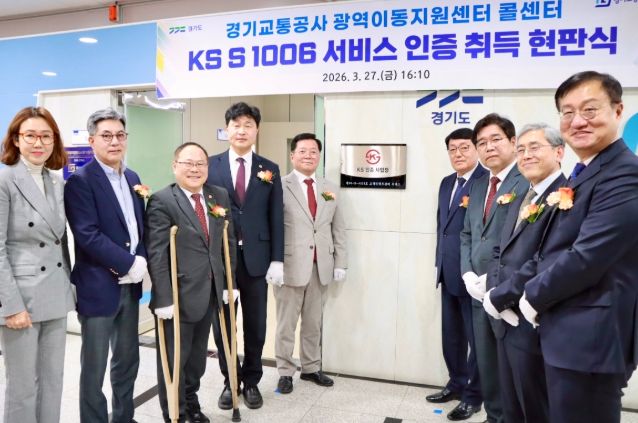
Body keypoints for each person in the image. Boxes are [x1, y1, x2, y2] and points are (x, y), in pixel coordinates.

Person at [517, 71, 638, 423]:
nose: (578, 121)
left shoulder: (624, 173)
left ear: (618, 111)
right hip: (570, 330)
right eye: (567, 113)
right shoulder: (586, 170)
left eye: (589, 110)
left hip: (591, 339)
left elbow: (587, 256)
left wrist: (531, 296)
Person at [64, 107, 147, 423]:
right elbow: (87, 235)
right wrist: (127, 263)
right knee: (94, 367)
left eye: (120, 135)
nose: (115, 141)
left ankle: (124, 417)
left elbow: (138, 227)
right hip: (98, 287)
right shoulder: (80, 181)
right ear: (92, 141)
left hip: (130, 288)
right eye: (106, 135)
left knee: (127, 361)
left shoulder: (132, 177)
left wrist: (141, 260)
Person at [146, 142, 236, 423]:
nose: (195, 169)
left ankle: (191, 401)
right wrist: (163, 298)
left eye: (200, 163)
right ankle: (176, 412)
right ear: (175, 166)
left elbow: (227, 241)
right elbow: (158, 253)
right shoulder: (162, 200)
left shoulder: (217, 195)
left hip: (209, 291)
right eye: (188, 163)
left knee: (197, 359)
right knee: (175, 358)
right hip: (178, 294)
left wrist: (228, 282)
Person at [482, 123, 566, 423]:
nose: (526, 155)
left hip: (532, 320)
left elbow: (545, 260)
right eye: (521, 149)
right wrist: (493, 293)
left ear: (559, 152)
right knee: (512, 405)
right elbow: (500, 250)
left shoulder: (566, 197)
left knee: (535, 407)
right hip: (504, 319)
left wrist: (500, 297)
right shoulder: (522, 196)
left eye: (534, 147)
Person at [207, 102, 284, 409]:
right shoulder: (209, 165)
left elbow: (276, 216)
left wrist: (277, 259)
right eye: (236, 125)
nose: (241, 130)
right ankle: (230, 380)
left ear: (257, 130)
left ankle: (251, 381)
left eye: (248, 125)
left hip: (257, 260)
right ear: (227, 129)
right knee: (223, 325)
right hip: (220, 259)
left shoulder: (270, 168)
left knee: (256, 324)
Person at [0, 107, 74, 423]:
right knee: (22, 388)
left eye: (45, 136)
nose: (38, 143)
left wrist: (70, 288)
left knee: (53, 382)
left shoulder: (56, 181)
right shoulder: (5, 180)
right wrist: (11, 306)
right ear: (16, 140)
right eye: (30, 135)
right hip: (21, 299)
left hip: (55, 294)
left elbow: (60, 242)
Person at [460, 113, 527, 423]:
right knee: (486, 362)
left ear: (513, 142)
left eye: (495, 139)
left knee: (512, 366)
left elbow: (527, 239)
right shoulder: (478, 186)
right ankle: (493, 415)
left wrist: (495, 277)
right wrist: (467, 274)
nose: (488, 147)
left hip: (510, 293)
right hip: (478, 292)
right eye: (482, 143)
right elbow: (467, 234)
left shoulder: (526, 181)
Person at [274, 133, 347, 394]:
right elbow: (272, 227)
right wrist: (274, 263)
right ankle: (285, 371)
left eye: (313, 151)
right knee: (286, 324)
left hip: (321, 266)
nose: (308, 156)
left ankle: (311, 368)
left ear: (319, 156)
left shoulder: (329, 188)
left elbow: (338, 227)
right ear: (292, 155)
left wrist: (341, 262)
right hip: (289, 267)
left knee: (313, 323)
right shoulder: (279, 186)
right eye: (302, 151)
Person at [429, 128, 485, 421]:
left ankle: (474, 397)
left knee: (478, 341)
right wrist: (439, 262)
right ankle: (456, 384)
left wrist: (475, 272)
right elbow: (443, 228)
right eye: (453, 149)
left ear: (476, 148)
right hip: (447, 271)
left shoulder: (485, 181)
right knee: (451, 335)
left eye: (464, 147)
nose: (458, 154)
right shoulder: (446, 182)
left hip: (473, 276)